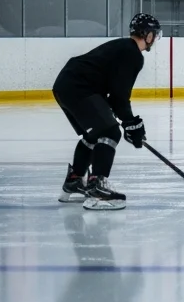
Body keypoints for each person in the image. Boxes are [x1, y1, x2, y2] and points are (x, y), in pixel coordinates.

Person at [52, 13, 160, 210]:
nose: (154, 39)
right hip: (79, 88)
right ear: (149, 35)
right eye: (154, 34)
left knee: (94, 133)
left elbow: (112, 99)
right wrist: (131, 124)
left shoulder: (124, 47)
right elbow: (119, 96)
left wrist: (130, 123)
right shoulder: (133, 54)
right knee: (110, 132)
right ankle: (97, 187)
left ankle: (75, 181)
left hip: (66, 85)